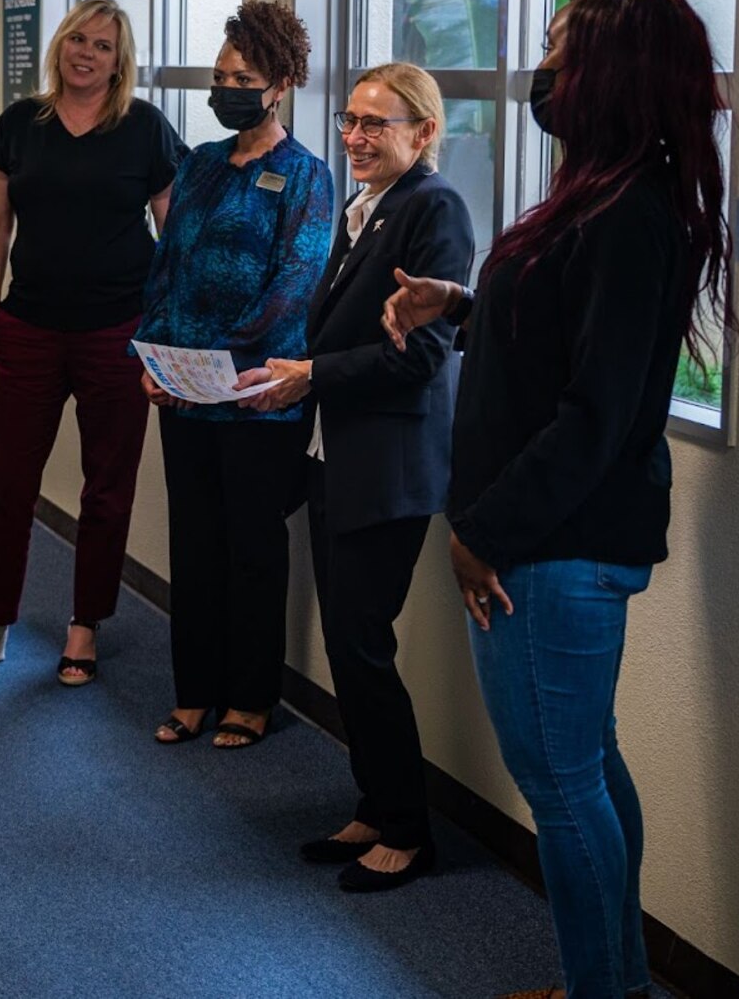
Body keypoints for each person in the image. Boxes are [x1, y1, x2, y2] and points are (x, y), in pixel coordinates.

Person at [381, 0, 731, 999]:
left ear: (608, 75)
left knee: (561, 788)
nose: (540, 73)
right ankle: (606, 983)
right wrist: (462, 300)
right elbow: (566, 336)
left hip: (550, 547)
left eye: (555, 51)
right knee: (585, 768)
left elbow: (597, 412)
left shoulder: (627, 212)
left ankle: (603, 992)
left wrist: (479, 532)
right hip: (554, 541)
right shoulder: (604, 192)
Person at [238, 62, 475, 885]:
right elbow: (342, 333)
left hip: (389, 468)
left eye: (377, 124)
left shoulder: (434, 207)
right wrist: (293, 373)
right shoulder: (367, 208)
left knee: (363, 645)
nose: (355, 138)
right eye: (350, 120)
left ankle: (408, 828)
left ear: (424, 132)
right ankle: (375, 803)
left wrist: (313, 376)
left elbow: (422, 356)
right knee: (346, 642)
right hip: (334, 458)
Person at [0, 0, 186, 682]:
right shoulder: (22, 123)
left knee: (106, 487)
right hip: (31, 328)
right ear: (59, 45)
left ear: (120, 60)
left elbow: (174, 238)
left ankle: (85, 624)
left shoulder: (144, 128)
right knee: (8, 482)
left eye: (103, 45)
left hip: (117, 332)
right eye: (78, 38)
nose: (86, 52)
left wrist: (162, 329)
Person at [136, 1, 332, 749]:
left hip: (255, 395)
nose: (228, 89)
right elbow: (168, 262)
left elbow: (295, 283)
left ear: (279, 84)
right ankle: (194, 691)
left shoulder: (306, 176)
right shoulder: (203, 165)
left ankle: (250, 696)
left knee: (252, 546)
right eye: (220, 76)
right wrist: (154, 355)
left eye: (243, 77)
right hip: (182, 391)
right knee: (193, 542)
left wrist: (221, 361)